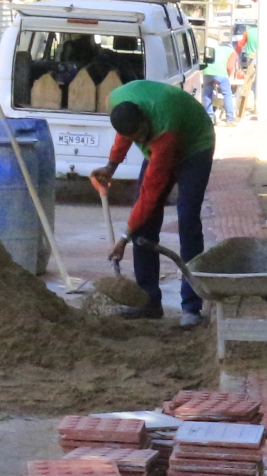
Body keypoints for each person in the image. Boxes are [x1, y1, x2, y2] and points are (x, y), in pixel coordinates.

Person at [91, 79, 214, 325]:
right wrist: (111, 166)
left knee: (188, 220)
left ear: (145, 118)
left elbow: (150, 195)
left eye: (142, 134)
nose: (140, 139)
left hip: (195, 145)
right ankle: (148, 301)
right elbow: (124, 136)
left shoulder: (163, 132)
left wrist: (124, 238)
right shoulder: (116, 102)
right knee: (144, 227)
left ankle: (191, 307)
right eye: (136, 138)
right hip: (162, 138)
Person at [199, 34, 238, 123]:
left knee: (207, 94)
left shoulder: (216, 48)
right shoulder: (232, 51)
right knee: (227, 94)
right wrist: (226, 76)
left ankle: (210, 118)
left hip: (207, 71)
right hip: (221, 73)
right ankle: (230, 119)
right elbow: (230, 67)